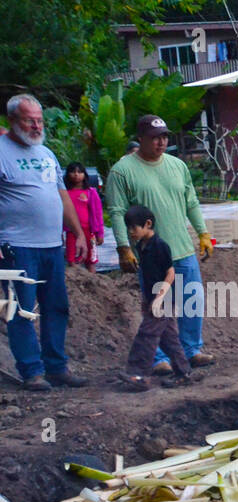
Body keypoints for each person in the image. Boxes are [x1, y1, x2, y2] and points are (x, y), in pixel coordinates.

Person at [105, 115, 215, 373]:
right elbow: (117, 211)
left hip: (182, 248)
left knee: (192, 301)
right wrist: (123, 247)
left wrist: (203, 233)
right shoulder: (122, 171)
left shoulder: (177, 166)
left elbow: (191, 202)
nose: (161, 142)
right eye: (155, 138)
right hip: (151, 254)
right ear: (141, 139)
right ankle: (159, 358)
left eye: (164, 137)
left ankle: (191, 350)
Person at [0, 94, 89, 390]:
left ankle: (56, 367)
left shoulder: (46, 153)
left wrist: (77, 233)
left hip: (51, 245)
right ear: (13, 120)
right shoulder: (1, 151)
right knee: (22, 309)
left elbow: (62, 195)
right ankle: (32, 372)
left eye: (39, 120)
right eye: (30, 120)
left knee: (56, 307)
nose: (37, 126)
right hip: (17, 246)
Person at [120, 205, 195, 391]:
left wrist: (160, 298)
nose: (131, 232)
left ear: (148, 224)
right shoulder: (141, 246)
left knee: (147, 335)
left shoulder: (160, 246)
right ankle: (183, 373)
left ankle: (139, 375)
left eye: (134, 228)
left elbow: (170, 273)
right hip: (153, 298)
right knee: (168, 338)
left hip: (163, 299)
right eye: (128, 228)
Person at [63, 163, 103, 271]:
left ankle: (92, 283)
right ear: (67, 174)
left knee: (90, 261)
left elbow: (98, 213)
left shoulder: (90, 192)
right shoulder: (64, 193)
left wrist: (100, 233)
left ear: (84, 174)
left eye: (79, 172)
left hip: (89, 231)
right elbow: (61, 213)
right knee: (72, 259)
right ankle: (78, 283)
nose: (76, 175)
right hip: (71, 231)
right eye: (73, 172)